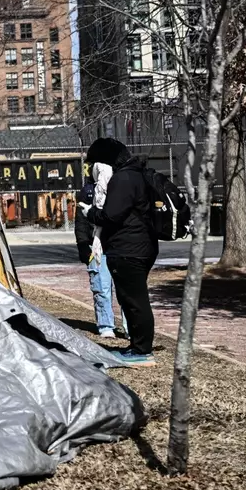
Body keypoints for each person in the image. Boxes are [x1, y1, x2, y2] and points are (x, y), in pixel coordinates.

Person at [81, 137, 157, 366]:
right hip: (139, 246)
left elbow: (111, 215)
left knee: (134, 301)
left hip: (129, 249)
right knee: (133, 298)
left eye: (96, 164)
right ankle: (137, 346)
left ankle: (142, 350)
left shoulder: (123, 179)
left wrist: (90, 213)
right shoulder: (135, 174)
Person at [74, 164, 121, 338]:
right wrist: (82, 244)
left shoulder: (121, 190)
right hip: (96, 246)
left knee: (126, 290)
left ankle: (131, 327)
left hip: (119, 245)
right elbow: (80, 220)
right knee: (101, 288)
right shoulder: (88, 192)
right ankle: (106, 325)